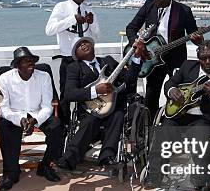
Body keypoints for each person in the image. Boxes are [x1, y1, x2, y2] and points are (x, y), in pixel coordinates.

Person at [148, 41, 210, 191]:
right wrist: (171, 90)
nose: (208, 62)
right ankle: (154, 175)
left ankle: (201, 179)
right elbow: (170, 82)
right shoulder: (188, 66)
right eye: (204, 58)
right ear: (198, 59)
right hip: (177, 115)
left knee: (201, 140)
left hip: (201, 119)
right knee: (163, 133)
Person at [56, 37, 144, 170]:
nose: (84, 44)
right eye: (79, 45)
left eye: (85, 42)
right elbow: (69, 94)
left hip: (112, 108)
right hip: (89, 110)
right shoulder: (74, 68)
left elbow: (129, 80)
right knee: (90, 120)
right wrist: (95, 91)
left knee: (119, 116)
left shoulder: (107, 61)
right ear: (76, 54)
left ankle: (107, 157)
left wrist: (136, 58)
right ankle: (69, 158)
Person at [126, 0, 201, 118]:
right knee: (151, 94)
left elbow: (195, 36)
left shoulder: (183, 10)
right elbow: (131, 28)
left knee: (177, 94)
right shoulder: (148, 6)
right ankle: (149, 128)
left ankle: (172, 123)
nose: (155, 0)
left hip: (176, 60)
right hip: (152, 59)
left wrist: (198, 40)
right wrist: (136, 43)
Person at [0, 47, 65, 191]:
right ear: (17, 65)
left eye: (32, 60)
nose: (31, 63)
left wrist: (34, 120)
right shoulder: (5, 78)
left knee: (57, 126)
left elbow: (47, 106)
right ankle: (11, 172)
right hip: (15, 115)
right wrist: (19, 119)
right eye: (25, 61)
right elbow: (3, 108)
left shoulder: (44, 76)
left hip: (38, 113)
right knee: (4, 128)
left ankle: (45, 166)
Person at [45, 0, 100, 124]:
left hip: (86, 61)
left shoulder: (88, 9)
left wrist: (92, 23)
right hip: (68, 59)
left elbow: (97, 34)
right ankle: (64, 126)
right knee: (66, 95)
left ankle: (85, 126)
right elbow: (49, 30)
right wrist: (72, 19)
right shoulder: (61, 7)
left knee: (87, 93)